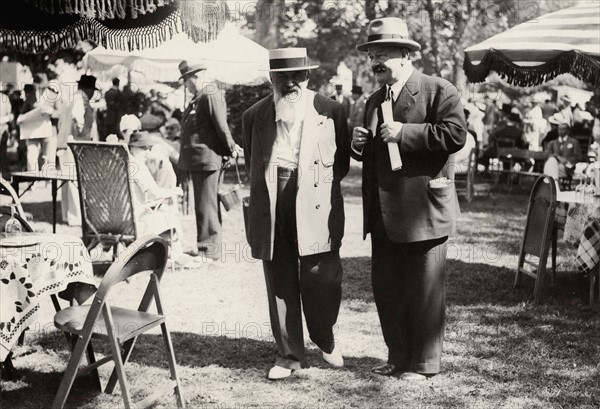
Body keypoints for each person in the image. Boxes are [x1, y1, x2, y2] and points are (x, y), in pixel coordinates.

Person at [352, 17, 466, 380]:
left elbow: (455, 135)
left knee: (423, 290)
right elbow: (379, 153)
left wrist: (406, 132)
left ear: (404, 54)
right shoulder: (374, 99)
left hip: (422, 212)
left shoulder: (438, 90)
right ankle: (397, 357)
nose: (375, 62)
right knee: (388, 290)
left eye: (382, 53)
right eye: (371, 55)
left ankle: (423, 364)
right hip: (385, 214)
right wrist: (360, 148)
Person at [242, 47, 350, 380]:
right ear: (271, 79)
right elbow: (252, 163)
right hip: (273, 199)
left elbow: (342, 163)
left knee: (322, 276)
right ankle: (289, 355)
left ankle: (324, 337)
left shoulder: (331, 110)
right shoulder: (253, 116)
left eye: (297, 75)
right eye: (282, 76)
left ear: (308, 76)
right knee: (279, 276)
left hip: (317, 198)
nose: (290, 83)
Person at [177, 60, 237, 260]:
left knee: (206, 206)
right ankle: (208, 246)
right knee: (204, 205)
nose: (186, 85)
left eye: (186, 80)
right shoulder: (200, 96)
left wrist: (231, 148)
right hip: (200, 160)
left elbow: (221, 126)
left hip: (207, 159)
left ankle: (209, 250)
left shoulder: (210, 93)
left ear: (195, 77)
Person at [127, 131, 198, 267]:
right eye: (143, 148)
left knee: (164, 211)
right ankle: (177, 257)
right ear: (132, 147)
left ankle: (171, 254)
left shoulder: (121, 163)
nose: (147, 152)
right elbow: (155, 193)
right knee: (170, 215)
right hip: (138, 220)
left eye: (149, 148)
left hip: (120, 221)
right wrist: (174, 191)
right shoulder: (138, 166)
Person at [57, 74, 98, 226]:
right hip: (74, 143)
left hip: (64, 142)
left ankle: (67, 215)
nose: (93, 93)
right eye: (92, 89)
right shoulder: (81, 100)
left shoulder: (70, 98)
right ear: (88, 89)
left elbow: (61, 121)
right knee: (75, 180)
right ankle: (75, 217)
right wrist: (82, 134)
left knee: (68, 180)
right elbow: (78, 119)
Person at [17, 83, 59, 171]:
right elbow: (22, 114)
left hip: (50, 132)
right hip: (33, 132)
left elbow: (60, 113)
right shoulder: (31, 97)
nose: (40, 87)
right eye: (38, 85)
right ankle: (33, 181)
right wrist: (21, 119)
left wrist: (51, 111)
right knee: (32, 157)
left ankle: (50, 183)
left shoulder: (53, 96)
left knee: (49, 159)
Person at [543, 114, 582, 180]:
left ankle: (550, 184)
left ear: (567, 131)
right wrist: (557, 157)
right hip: (554, 165)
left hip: (567, 168)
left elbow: (578, 157)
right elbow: (547, 154)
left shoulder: (573, 142)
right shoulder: (553, 142)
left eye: (563, 129)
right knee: (551, 163)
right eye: (559, 129)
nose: (561, 131)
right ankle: (553, 183)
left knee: (551, 168)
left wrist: (566, 160)